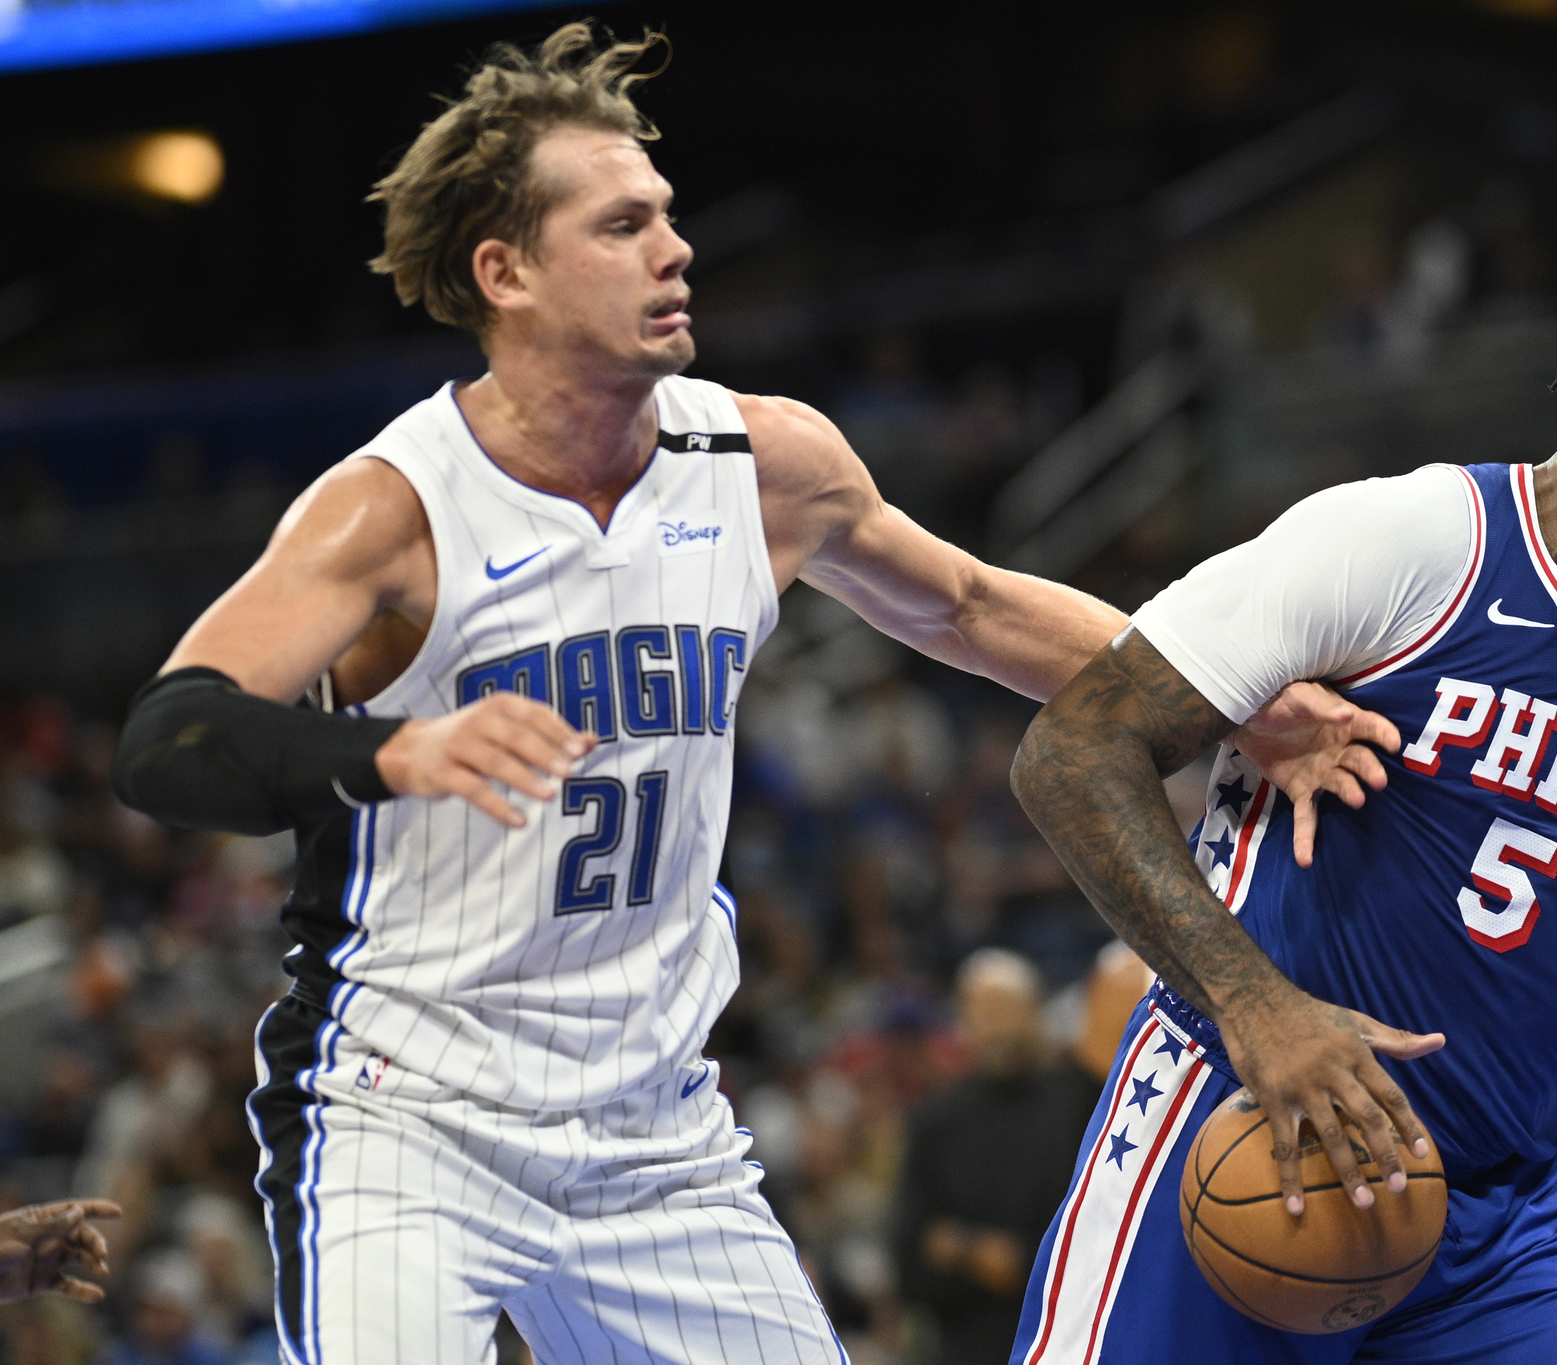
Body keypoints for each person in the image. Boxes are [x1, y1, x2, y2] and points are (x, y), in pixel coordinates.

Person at [106, 24, 1363, 1365]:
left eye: (669, 216)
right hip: (406, 1113)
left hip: (654, 1128)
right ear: (506, 270)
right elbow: (168, 739)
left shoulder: (766, 460)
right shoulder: (396, 508)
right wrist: (390, 751)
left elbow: (978, 607)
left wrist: (1231, 697)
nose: (676, 248)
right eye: (625, 223)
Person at [1008, 263, 1557, 1363]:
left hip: (1490, 1222)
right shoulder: (1414, 537)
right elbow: (1072, 750)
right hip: (1242, 1125)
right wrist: (1257, 1009)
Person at [893, 950, 1098, 1364]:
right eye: (983, 1013)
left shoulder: (1084, 1109)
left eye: (1009, 1010)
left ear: (1037, 1014)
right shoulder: (934, 1124)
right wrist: (980, 1254)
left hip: (1070, 1340)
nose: (998, 1028)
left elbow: (1094, 1236)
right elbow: (908, 1265)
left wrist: (962, 1249)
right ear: (961, 1023)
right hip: (966, 1349)